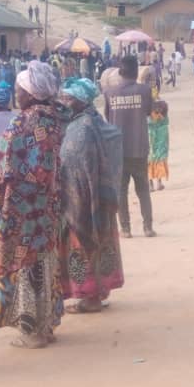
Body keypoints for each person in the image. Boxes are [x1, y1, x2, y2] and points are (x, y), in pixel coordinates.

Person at [0, 61, 66, 348]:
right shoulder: (55, 119)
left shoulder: (24, 122)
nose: (17, 94)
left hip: (22, 209)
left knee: (25, 262)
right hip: (48, 206)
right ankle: (46, 325)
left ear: (30, 93)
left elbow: (3, 163)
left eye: (20, 89)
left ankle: (32, 332)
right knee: (44, 259)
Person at [56, 78, 125, 315]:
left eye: (69, 97)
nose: (64, 101)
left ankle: (91, 297)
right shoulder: (94, 121)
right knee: (100, 242)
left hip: (83, 201)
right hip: (98, 199)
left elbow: (73, 162)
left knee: (84, 246)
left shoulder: (82, 127)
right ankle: (98, 291)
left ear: (81, 99)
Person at [103, 55, 155, 239]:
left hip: (118, 150)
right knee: (143, 190)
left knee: (121, 191)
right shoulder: (145, 90)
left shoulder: (109, 92)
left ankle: (125, 229)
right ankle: (148, 227)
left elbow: (108, 119)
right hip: (139, 148)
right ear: (136, 71)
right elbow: (149, 111)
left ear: (120, 72)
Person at [148, 100, 169, 191]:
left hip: (151, 145)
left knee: (149, 163)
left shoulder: (149, 120)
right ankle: (159, 183)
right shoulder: (164, 120)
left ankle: (150, 185)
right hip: (160, 147)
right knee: (159, 162)